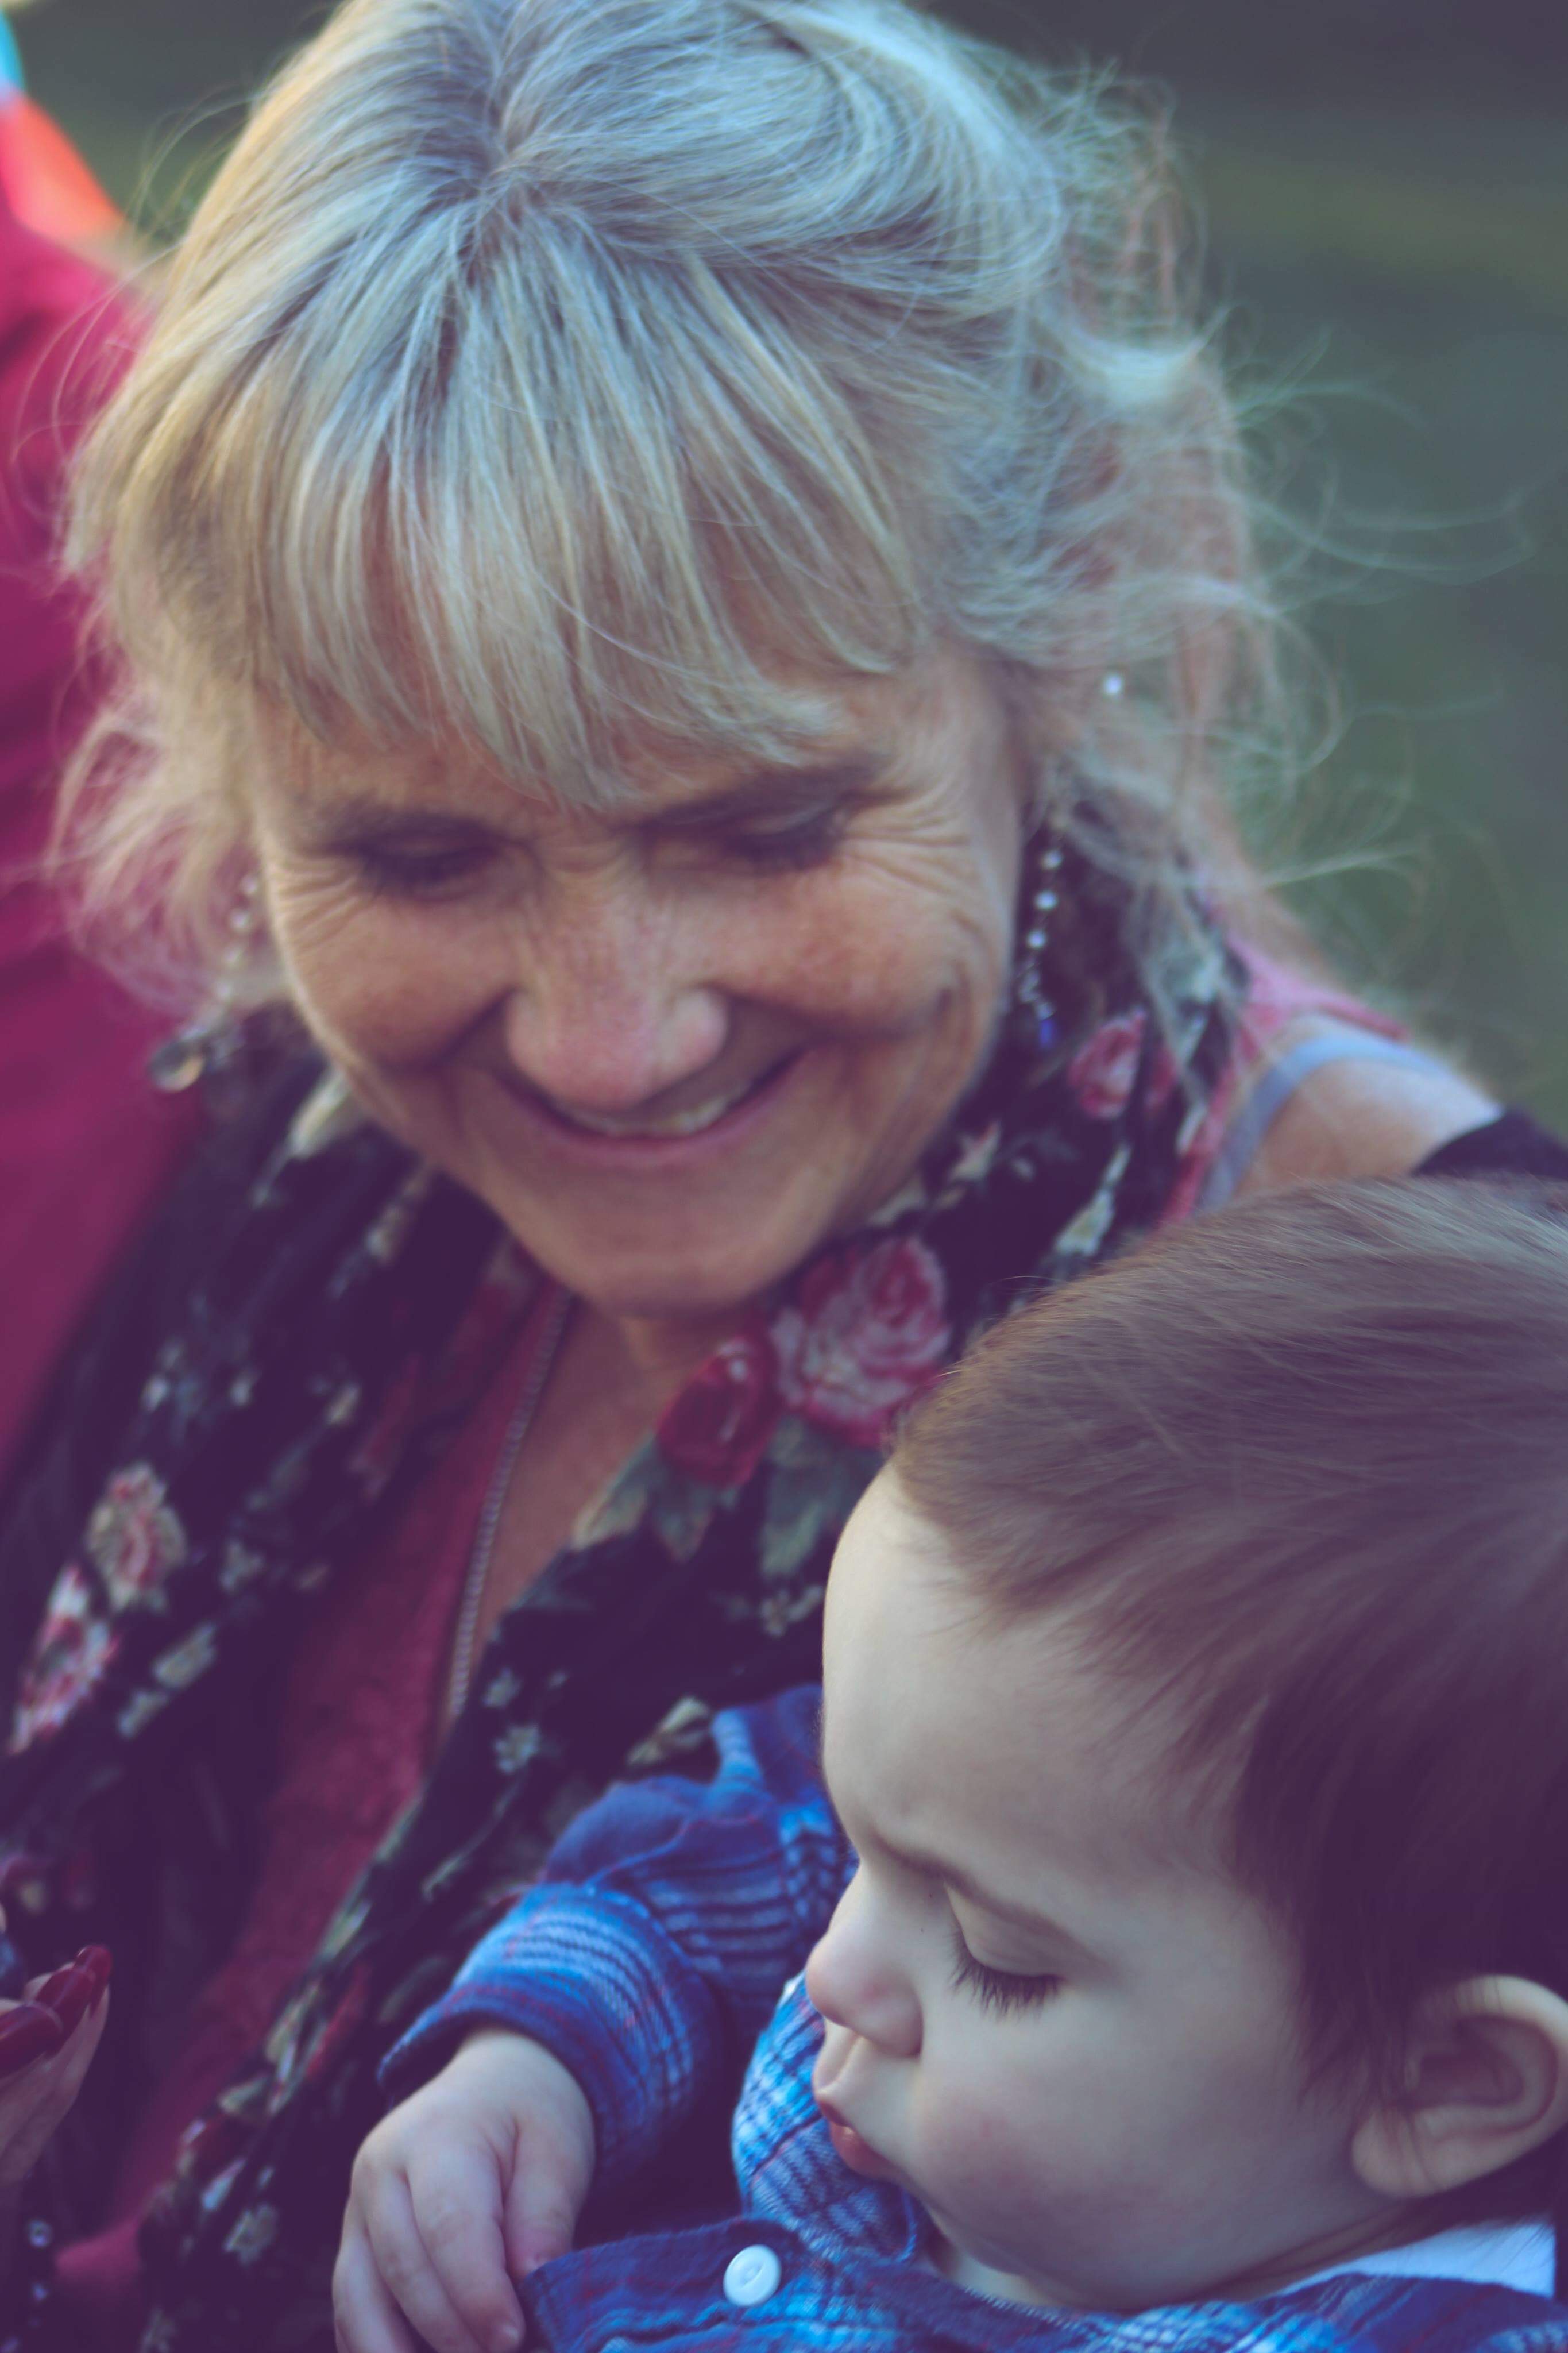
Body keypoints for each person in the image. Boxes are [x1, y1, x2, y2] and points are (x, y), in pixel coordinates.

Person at [0, 0, 1556, 2344]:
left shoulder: (1463, 1478)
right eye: (418, 856)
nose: (605, 1037)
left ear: (1055, 637)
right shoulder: (292, 1151)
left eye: (764, 828)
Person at [342, 1179, 1568, 2353]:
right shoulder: (991, 1813)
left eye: (999, 1960)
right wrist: (537, 2069)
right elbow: (721, 1857)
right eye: (857, 1849)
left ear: (1438, 2080)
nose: (831, 1970)